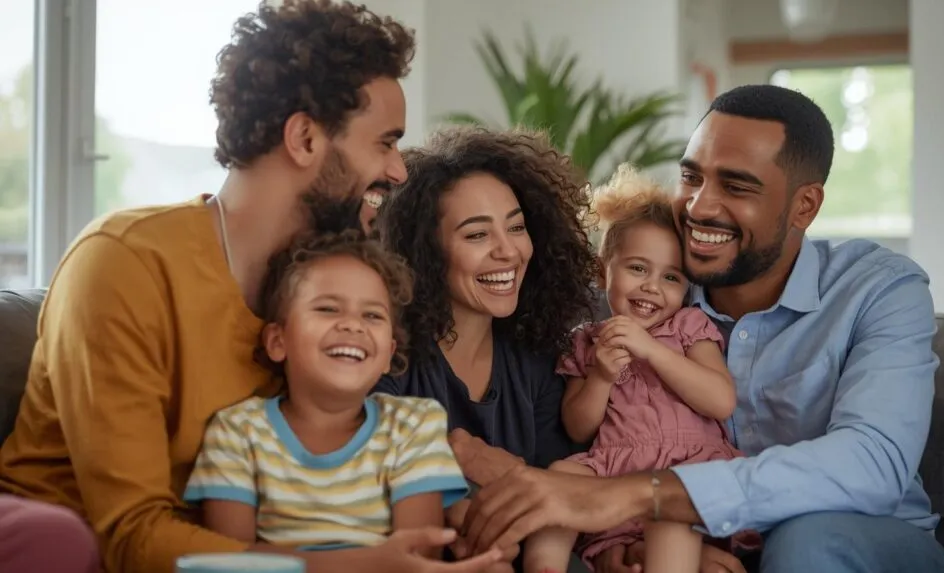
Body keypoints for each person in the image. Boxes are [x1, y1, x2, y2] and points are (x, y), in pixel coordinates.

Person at [0, 2, 500, 572]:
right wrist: (359, 564)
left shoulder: (331, 295)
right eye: (384, 142)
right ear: (305, 138)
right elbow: (131, 540)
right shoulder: (124, 263)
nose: (399, 171)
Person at [457, 84, 944, 573]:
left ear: (805, 206)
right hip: (695, 539)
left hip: (857, 540)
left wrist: (645, 495)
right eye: (691, 178)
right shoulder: (639, 299)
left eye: (736, 187)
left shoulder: (879, 289)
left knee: (807, 541)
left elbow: (873, 462)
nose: (699, 207)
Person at [184, 230, 496, 565]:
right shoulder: (237, 432)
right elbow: (231, 561)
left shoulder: (413, 426)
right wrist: (368, 563)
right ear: (278, 341)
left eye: (372, 315)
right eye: (328, 308)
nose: (352, 325)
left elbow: (418, 557)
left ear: (389, 354)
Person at [370, 126, 600, 567]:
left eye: (516, 227)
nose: (508, 251)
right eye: (477, 235)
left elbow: (564, 503)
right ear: (425, 252)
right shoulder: (389, 358)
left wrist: (497, 467)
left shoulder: (539, 361)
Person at [523, 164, 757, 573]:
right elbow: (578, 428)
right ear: (601, 272)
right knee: (559, 476)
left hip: (686, 469)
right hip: (615, 469)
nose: (652, 287)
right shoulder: (587, 340)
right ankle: (546, 566)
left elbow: (720, 401)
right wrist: (599, 377)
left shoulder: (688, 327)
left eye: (671, 277)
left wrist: (652, 350)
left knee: (674, 510)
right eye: (637, 268)